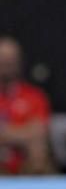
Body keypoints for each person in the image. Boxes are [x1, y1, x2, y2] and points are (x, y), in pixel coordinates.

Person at [0, 36, 53, 175]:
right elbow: (29, 132)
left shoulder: (34, 96)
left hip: (23, 162)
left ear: (19, 62)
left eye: (11, 59)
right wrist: (21, 132)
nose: (7, 63)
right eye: (3, 59)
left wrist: (5, 133)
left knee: (38, 149)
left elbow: (39, 132)